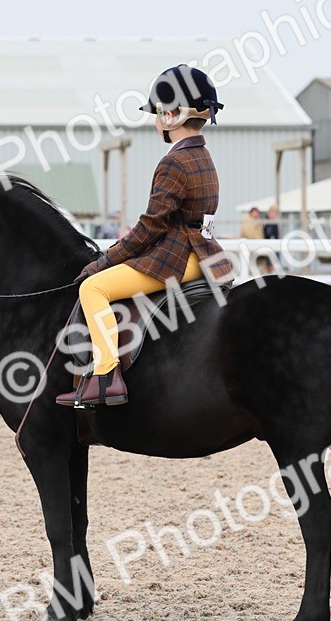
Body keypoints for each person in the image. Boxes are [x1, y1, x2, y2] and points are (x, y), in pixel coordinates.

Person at [56, 64, 234, 407]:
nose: (156, 121)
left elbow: (151, 226)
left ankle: (106, 376)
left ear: (171, 115)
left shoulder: (174, 162)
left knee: (93, 287)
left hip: (177, 258)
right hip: (205, 258)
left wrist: (106, 259)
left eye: (157, 113)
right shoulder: (204, 156)